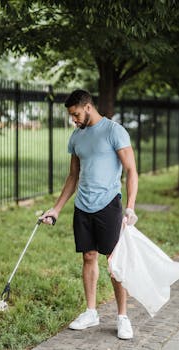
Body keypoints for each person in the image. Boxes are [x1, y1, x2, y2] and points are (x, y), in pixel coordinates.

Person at [40, 90, 138, 340]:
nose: (73, 119)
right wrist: (56, 209)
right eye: (71, 115)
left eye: (75, 114)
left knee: (115, 262)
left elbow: (131, 170)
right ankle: (91, 311)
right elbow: (73, 176)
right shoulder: (76, 137)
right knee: (88, 256)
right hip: (83, 205)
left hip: (109, 204)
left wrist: (130, 207)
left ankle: (122, 316)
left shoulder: (114, 131)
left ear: (87, 107)